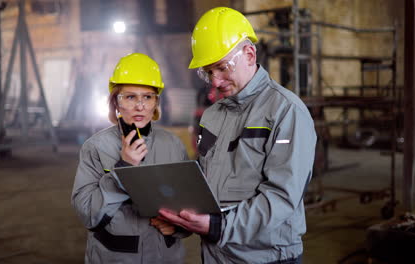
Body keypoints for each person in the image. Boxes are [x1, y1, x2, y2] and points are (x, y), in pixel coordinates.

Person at [156, 7, 317, 264]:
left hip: (266, 257)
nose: (215, 81)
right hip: (216, 255)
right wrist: (184, 221)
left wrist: (217, 227)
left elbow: (282, 197)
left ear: (250, 54)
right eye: (208, 72)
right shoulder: (213, 115)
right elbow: (206, 181)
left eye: (221, 68)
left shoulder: (286, 112)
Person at [71, 53, 189, 264]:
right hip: (117, 257)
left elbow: (189, 203)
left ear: (156, 102)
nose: (140, 106)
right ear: (116, 102)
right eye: (130, 97)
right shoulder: (96, 147)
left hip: (165, 257)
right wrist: (123, 169)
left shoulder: (172, 145)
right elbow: (88, 214)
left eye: (147, 97)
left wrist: (179, 226)